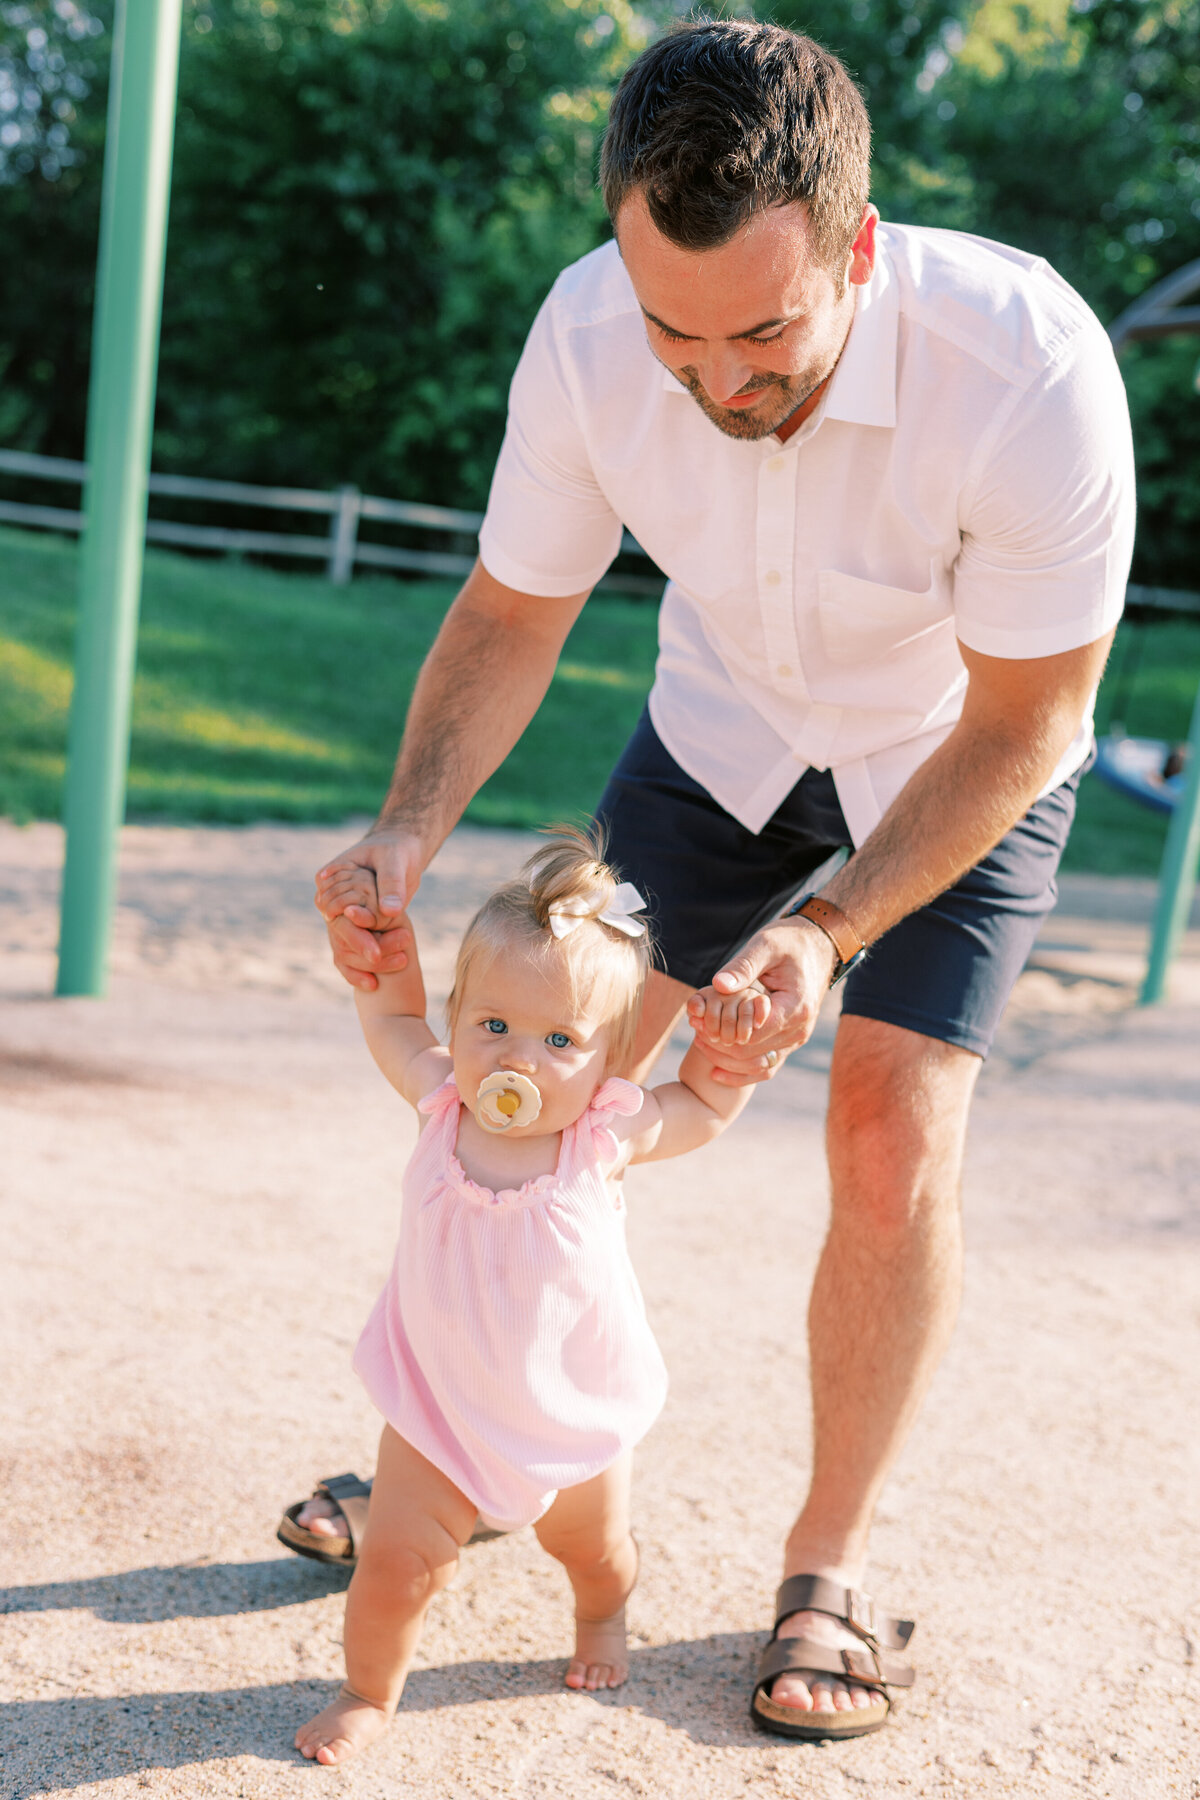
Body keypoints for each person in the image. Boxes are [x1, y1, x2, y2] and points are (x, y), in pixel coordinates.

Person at [285, 19, 1134, 1743]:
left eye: (765, 334)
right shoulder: (594, 335)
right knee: (543, 1089)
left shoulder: (1030, 360)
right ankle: (457, 1451)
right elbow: (517, 610)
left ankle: (824, 1564)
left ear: (860, 247)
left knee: (888, 1129)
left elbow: (1035, 711)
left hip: (958, 754)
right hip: (724, 726)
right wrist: (403, 832)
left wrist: (830, 933)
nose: (721, 381)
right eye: (679, 335)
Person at [294, 833, 758, 1765]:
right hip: (437, 1410)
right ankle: (365, 1692)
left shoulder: (602, 1139)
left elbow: (701, 1107)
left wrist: (730, 1055)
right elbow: (393, 1020)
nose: (519, 1060)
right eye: (494, 1026)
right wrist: (384, 961)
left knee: (591, 1551)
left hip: (567, 1411)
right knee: (393, 1568)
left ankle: (605, 1617)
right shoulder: (439, 1101)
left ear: (609, 1059)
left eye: (560, 1042)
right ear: (459, 1019)